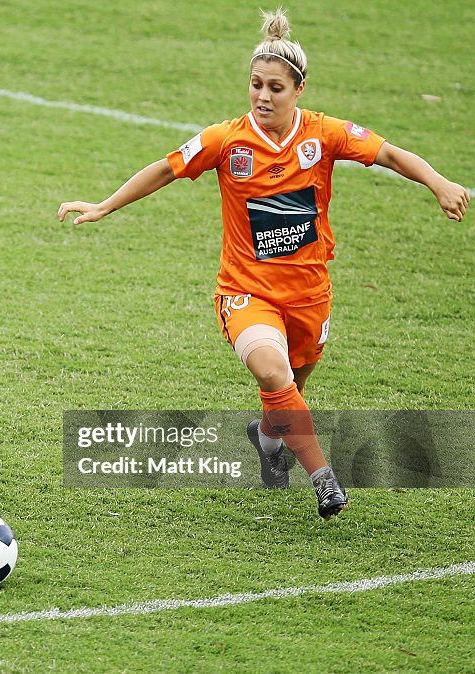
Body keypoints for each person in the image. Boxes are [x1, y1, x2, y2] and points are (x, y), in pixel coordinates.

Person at [57, 8, 468, 519]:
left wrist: (439, 183)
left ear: (298, 91)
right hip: (244, 292)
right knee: (274, 375)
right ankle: (324, 478)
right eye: (256, 85)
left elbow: (389, 154)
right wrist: (104, 205)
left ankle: (267, 440)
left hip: (309, 294)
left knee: (289, 388)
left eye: (276, 87)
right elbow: (165, 168)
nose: (263, 96)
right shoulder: (226, 140)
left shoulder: (324, 135)